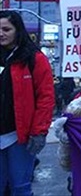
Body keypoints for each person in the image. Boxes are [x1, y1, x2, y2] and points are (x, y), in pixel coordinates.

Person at [0, 10, 54, 196]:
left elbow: (46, 97)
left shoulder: (34, 58)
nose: (1, 33)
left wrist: (38, 131)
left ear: (18, 30)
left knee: (20, 188)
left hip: (20, 137)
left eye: (6, 29)